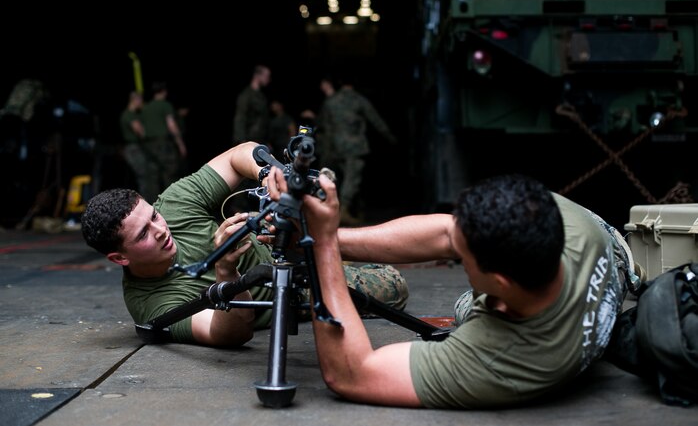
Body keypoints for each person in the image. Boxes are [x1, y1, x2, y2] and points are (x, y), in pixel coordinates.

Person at [265, 167, 643, 408]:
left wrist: (323, 245)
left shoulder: (500, 359)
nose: (455, 256)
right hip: (605, 250)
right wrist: (327, 230)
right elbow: (449, 231)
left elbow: (352, 374)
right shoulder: (566, 225)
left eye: (462, 259)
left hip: (530, 341)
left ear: (499, 283)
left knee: (466, 307)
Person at [80, 141, 408, 348]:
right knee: (393, 284)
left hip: (286, 244)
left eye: (153, 216)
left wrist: (268, 177)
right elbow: (232, 334)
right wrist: (226, 272)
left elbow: (241, 153)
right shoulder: (151, 304)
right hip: (295, 291)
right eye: (142, 235)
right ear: (119, 258)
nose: (160, 229)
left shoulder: (174, 205)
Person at [314, 74, 397, 225]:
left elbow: (324, 126)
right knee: (352, 179)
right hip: (355, 147)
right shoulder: (359, 100)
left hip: (336, 148)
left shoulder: (330, 102)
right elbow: (376, 120)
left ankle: (353, 210)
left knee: (347, 179)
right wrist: (391, 138)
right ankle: (343, 210)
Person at [139, 81, 187, 201]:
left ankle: (153, 204)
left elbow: (142, 129)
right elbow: (171, 124)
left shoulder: (145, 108)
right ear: (164, 92)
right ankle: (173, 202)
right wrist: (180, 144)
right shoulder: (165, 105)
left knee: (152, 176)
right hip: (163, 144)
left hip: (148, 145)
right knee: (170, 173)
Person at [119, 91, 159, 202]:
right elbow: (140, 131)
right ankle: (147, 202)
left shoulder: (131, 114)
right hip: (134, 149)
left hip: (135, 148)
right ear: (135, 100)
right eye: (140, 101)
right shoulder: (129, 115)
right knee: (144, 177)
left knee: (146, 177)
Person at [233, 65, 272, 146]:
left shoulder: (262, 96)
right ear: (257, 75)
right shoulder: (246, 95)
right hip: (249, 140)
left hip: (260, 140)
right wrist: (241, 141)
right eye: (266, 76)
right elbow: (240, 118)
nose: (268, 79)